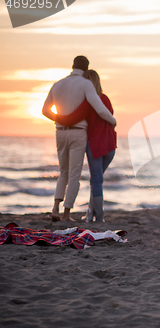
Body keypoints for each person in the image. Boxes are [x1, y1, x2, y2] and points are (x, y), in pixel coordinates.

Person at [42, 56, 116, 221]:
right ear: (86, 68)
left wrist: (61, 120)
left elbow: (45, 111)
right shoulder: (86, 84)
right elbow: (101, 110)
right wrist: (113, 121)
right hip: (78, 132)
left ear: (72, 65)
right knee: (75, 174)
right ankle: (66, 215)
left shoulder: (57, 84)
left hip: (60, 131)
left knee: (63, 172)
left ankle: (55, 209)